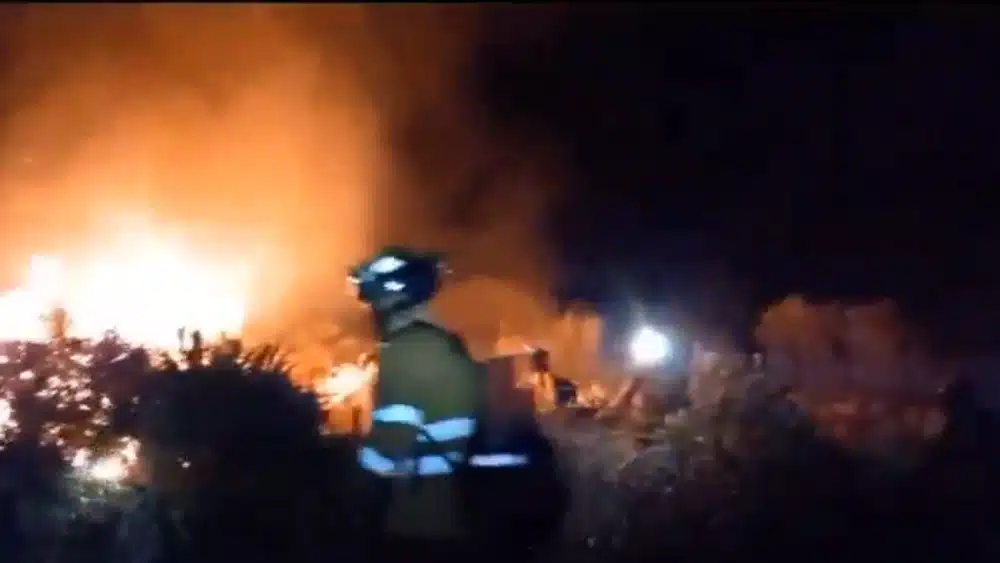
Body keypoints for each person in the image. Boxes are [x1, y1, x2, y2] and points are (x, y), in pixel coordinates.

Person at [348, 246, 485, 563]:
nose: (371, 312)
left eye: (374, 302)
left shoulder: (408, 348)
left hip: (416, 519)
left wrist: (349, 482)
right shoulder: (443, 343)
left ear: (393, 300)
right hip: (448, 511)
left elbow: (389, 447)